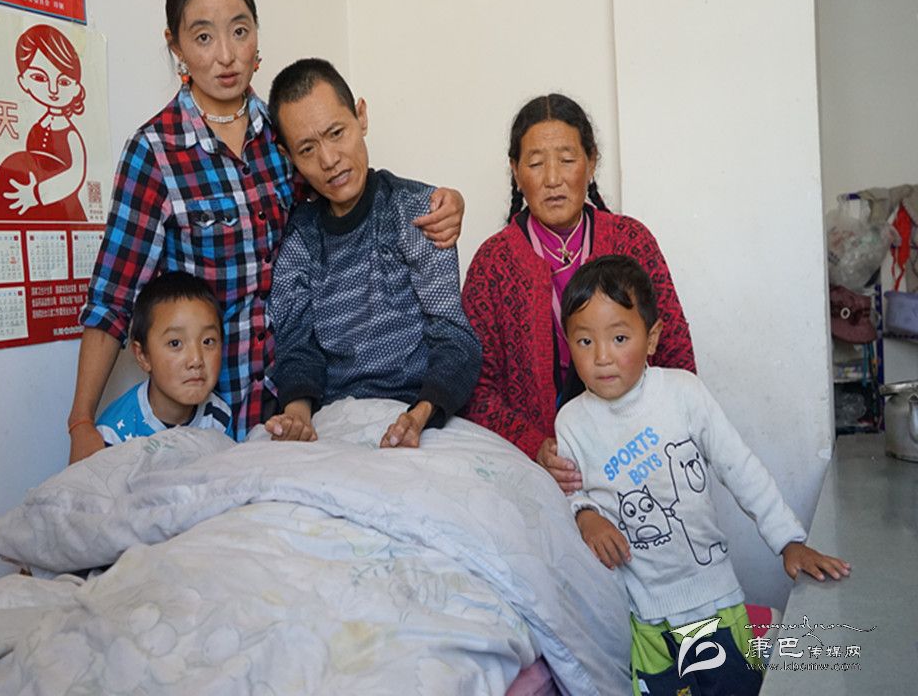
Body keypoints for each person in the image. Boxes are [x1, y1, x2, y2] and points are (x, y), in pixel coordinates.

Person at [66, 0, 464, 463]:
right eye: (203, 37)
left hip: (291, 410)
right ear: (176, 46)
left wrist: (444, 202)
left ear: (257, 32)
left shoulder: (284, 134)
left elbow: (346, 186)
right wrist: (81, 420)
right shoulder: (156, 152)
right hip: (204, 412)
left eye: (240, 31)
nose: (226, 55)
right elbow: (112, 297)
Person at [557, 254, 850, 696]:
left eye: (619, 338)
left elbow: (741, 468)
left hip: (713, 602)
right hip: (645, 618)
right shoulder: (571, 423)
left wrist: (788, 541)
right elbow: (569, 492)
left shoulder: (682, 393)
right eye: (584, 341)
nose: (602, 357)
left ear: (652, 338)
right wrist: (585, 515)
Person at [461, 93, 695, 492]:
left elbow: (677, 359)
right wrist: (536, 447)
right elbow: (477, 392)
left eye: (567, 160)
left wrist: (648, 438)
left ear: (591, 162)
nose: (552, 178)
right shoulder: (493, 263)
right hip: (538, 469)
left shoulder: (631, 241)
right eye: (536, 163)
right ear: (515, 171)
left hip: (641, 452)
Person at [264, 58, 481, 448]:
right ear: (287, 155)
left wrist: (419, 416)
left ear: (361, 116)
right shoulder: (300, 238)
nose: (329, 160)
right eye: (307, 149)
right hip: (336, 420)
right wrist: (297, 416)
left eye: (336, 133)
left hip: (423, 412)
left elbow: (454, 338)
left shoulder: (417, 212)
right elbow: (297, 345)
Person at [96, 271, 232, 446]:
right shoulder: (114, 433)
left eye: (208, 341)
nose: (196, 360)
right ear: (142, 356)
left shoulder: (219, 417)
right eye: (175, 343)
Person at [0, 24, 88, 221]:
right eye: (39, 78)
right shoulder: (37, 127)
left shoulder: (70, 133)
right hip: (38, 214)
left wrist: (37, 194)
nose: (53, 89)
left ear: (76, 88)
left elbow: (75, 176)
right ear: (23, 81)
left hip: (63, 213)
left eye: (63, 82)